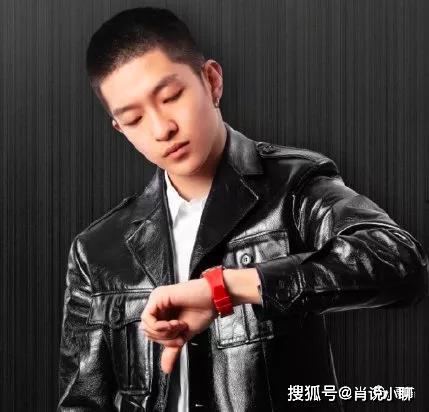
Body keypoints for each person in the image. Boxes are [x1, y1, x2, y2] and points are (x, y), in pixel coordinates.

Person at [57, 6, 429, 412]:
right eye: (134, 118)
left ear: (211, 81)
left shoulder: (293, 185)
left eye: (171, 97)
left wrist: (226, 289)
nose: (162, 128)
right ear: (120, 129)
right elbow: (81, 403)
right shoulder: (97, 250)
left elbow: (399, 261)